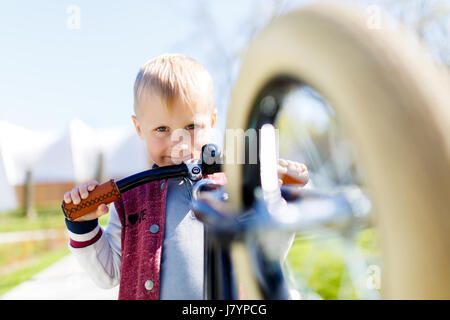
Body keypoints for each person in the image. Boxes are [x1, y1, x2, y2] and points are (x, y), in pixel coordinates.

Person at [63, 53, 309, 300]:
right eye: (162, 129)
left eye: (191, 127)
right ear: (139, 129)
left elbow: (265, 257)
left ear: (212, 121)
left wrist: (276, 200)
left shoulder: (232, 188)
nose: (178, 143)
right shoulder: (129, 198)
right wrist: (83, 225)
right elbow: (108, 274)